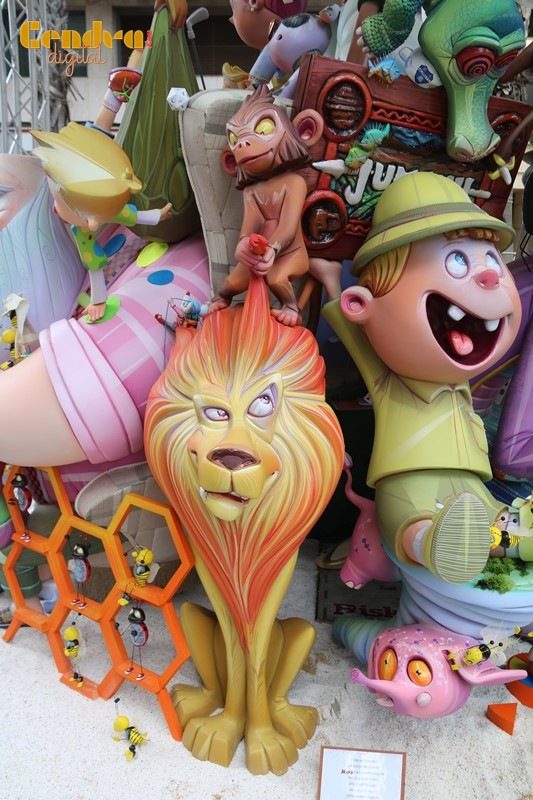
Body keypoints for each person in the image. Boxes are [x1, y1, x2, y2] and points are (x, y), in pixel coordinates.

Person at [323, 171, 522, 584]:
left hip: (470, 481)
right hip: (407, 477)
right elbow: (349, 324)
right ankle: (431, 544)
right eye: (457, 261)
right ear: (362, 304)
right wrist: (328, 279)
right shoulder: (389, 381)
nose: (488, 276)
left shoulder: (464, 382)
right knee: (408, 517)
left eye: (491, 259)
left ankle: (512, 540)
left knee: (497, 518)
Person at [31, 123, 172, 322]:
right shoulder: (96, 208)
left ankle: (98, 301)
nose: (54, 210)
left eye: (58, 204)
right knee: (98, 255)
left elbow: (130, 216)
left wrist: (158, 215)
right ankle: (97, 300)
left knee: (94, 261)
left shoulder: (99, 216)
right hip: (91, 222)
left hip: (91, 225)